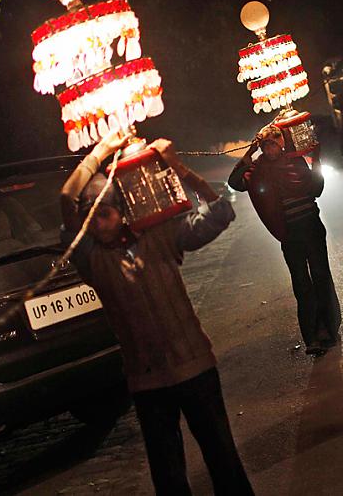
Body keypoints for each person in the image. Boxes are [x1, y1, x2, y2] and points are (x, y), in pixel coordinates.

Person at [60, 131, 253, 496]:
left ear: (123, 213)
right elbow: (66, 198)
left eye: (104, 213)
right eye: (91, 217)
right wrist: (101, 151)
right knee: (168, 477)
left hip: (196, 369)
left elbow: (221, 212)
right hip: (147, 384)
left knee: (224, 461)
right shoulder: (93, 261)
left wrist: (177, 167)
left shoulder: (159, 237)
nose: (97, 223)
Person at [228, 125, 341, 357]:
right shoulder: (259, 169)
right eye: (264, 145)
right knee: (301, 282)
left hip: (311, 226)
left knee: (320, 275)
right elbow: (235, 182)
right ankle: (312, 337)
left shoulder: (296, 162)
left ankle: (328, 329)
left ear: (281, 143)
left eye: (273, 143)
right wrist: (249, 153)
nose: (269, 149)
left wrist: (316, 160)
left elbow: (316, 190)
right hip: (289, 234)